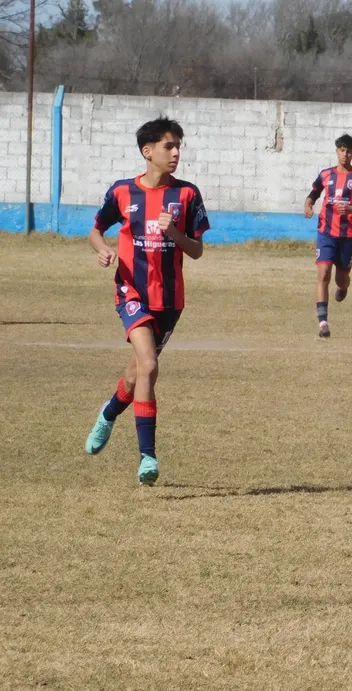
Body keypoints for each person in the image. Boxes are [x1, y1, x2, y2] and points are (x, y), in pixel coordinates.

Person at [84, 117, 210, 485]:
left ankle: (108, 413)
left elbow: (197, 250)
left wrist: (174, 232)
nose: (176, 152)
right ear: (147, 151)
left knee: (136, 373)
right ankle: (148, 457)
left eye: (178, 146)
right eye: (169, 146)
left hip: (170, 301)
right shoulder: (123, 192)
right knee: (150, 366)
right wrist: (103, 249)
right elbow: (95, 230)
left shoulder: (187, 194)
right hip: (131, 292)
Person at [304, 133, 352, 338]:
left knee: (341, 279)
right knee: (323, 273)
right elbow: (313, 195)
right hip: (326, 232)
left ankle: (343, 287)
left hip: (349, 235)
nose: (345, 154)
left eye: (349, 151)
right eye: (341, 150)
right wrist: (308, 206)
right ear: (337, 151)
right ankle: (323, 322)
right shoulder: (326, 175)